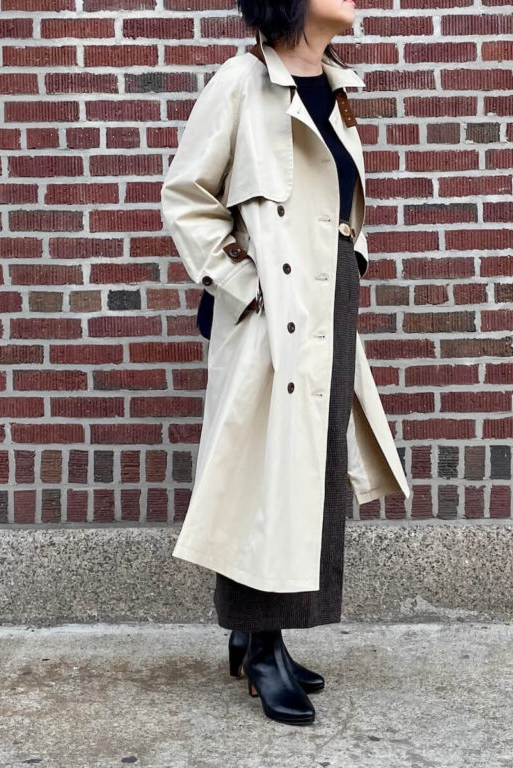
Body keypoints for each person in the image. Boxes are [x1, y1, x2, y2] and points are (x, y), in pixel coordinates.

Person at [161, 0, 407, 726]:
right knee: (265, 478)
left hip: (327, 307)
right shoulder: (240, 82)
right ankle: (261, 645)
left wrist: (352, 263)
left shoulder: (335, 86)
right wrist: (245, 286)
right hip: (271, 314)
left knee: (311, 474)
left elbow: (339, 205)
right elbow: (186, 198)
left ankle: (257, 636)